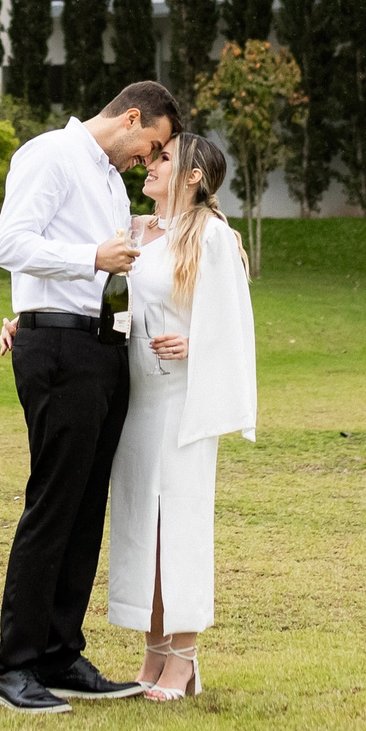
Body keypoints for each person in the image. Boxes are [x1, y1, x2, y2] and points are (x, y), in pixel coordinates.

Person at [0, 80, 183, 714]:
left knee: (86, 506)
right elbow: (8, 244)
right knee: (53, 503)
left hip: (101, 349)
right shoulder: (48, 155)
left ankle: (60, 654)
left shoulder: (103, 179)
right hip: (60, 351)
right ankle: (11, 668)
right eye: (150, 146)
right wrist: (88, 258)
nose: (146, 161)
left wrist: (212, 230)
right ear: (130, 118)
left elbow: (137, 240)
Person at [105, 131, 258, 700]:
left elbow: (234, 324)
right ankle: (152, 651)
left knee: (181, 528)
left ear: (193, 176)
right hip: (136, 399)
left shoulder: (211, 238)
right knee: (142, 523)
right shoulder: (134, 231)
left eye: (163, 158)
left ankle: (185, 658)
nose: (149, 164)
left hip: (182, 400)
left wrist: (195, 345)